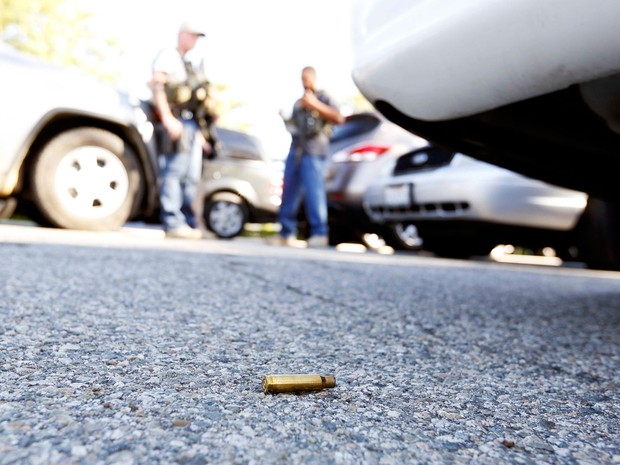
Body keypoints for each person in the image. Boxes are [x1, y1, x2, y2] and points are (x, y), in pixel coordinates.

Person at [150, 21, 215, 239]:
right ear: (183, 35)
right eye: (193, 36)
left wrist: (200, 136)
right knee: (175, 171)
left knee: (191, 177)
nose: (196, 41)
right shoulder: (169, 55)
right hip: (176, 120)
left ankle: (189, 222)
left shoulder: (188, 63)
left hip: (190, 125)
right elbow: (157, 85)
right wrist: (168, 118)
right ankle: (173, 221)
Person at [275, 66, 345, 248]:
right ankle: (286, 232)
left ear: (314, 78)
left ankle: (319, 233)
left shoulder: (323, 97)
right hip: (296, 149)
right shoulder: (299, 103)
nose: (305, 82)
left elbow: (339, 118)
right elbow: (294, 127)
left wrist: (315, 104)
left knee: (315, 193)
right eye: (302, 78)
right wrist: (285, 118)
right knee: (288, 191)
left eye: (307, 78)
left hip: (315, 151)